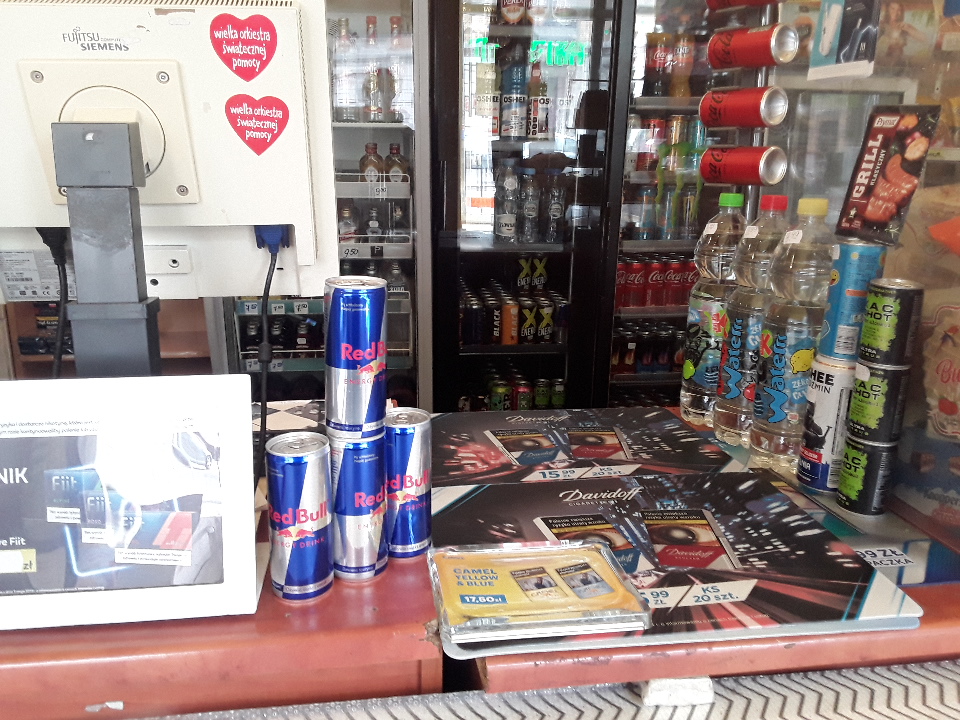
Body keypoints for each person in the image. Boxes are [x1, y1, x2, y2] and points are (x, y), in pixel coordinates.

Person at [878, 1, 928, 65]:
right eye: (892, 8)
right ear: (888, 10)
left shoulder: (904, 26)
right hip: (883, 60)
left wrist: (908, 29)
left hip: (900, 61)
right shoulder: (881, 25)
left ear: (901, 12)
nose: (895, 12)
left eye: (899, 9)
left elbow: (924, 39)